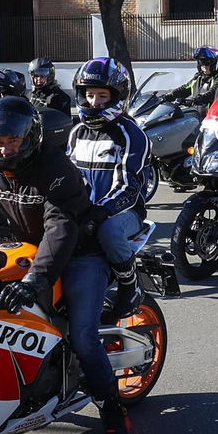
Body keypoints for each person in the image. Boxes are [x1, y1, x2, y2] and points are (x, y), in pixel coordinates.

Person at [0, 99, 133, 434]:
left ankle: (113, 412)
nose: (3, 149)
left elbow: (60, 227)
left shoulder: (54, 166)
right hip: (25, 248)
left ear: (29, 138)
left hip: (79, 253)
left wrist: (35, 280)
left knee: (85, 336)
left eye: (11, 140)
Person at [66, 57, 150, 320]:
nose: (93, 102)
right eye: (89, 94)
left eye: (102, 95)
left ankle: (130, 285)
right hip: (85, 209)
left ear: (117, 97)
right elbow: (67, 177)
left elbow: (129, 186)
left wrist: (101, 212)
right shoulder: (76, 133)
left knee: (109, 230)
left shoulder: (131, 134)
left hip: (123, 213)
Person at [168, 46, 218, 111]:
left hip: (211, 118)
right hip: (196, 116)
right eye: (201, 62)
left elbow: (213, 93)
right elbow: (185, 89)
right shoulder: (198, 77)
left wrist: (195, 100)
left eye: (207, 62)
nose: (204, 65)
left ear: (214, 63)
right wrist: (168, 96)